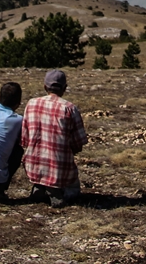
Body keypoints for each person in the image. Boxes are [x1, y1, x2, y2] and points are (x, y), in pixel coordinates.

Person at [22, 69, 87, 208]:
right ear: (65, 88)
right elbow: (78, 144)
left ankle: (40, 185)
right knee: (72, 185)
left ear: (45, 87)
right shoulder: (70, 108)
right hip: (60, 167)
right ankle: (54, 190)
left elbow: (25, 138)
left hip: (33, 165)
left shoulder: (31, 104)